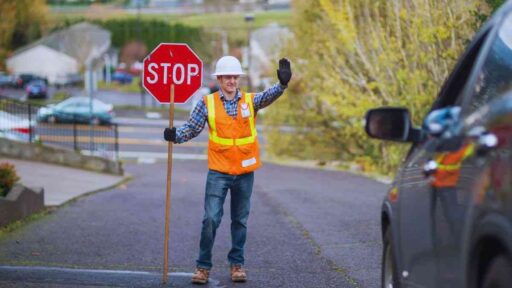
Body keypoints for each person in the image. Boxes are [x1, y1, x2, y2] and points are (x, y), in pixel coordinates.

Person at [163, 55, 292, 284]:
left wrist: (282, 85)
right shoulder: (207, 103)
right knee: (211, 219)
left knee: (240, 220)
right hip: (219, 172)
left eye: (235, 77)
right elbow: (193, 128)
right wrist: (176, 136)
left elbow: (267, 96)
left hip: (244, 173)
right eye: (227, 77)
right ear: (220, 79)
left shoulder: (250, 101)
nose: (232, 81)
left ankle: (237, 265)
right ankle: (203, 267)